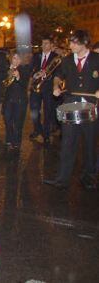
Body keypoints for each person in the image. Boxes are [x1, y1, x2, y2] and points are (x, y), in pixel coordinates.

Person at [45, 30, 99, 190]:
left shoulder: (97, 59)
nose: (70, 45)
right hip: (71, 105)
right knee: (67, 143)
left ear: (84, 43)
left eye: (74, 42)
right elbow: (58, 76)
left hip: (92, 107)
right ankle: (62, 179)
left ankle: (88, 177)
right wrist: (56, 86)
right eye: (70, 42)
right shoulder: (67, 60)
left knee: (90, 144)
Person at [29, 36, 60, 146]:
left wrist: (46, 74)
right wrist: (35, 74)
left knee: (48, 112)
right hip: (36, 87)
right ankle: (38, 129)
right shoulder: (36, 56)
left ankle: (46, 135)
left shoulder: (56, 57)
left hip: (48, 88)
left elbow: (58, 73)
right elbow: (31, 68)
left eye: (46, 43)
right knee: (34, 111)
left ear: (51, 45)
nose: (43, 46)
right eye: (42, 43)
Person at [2, 51, 32, 153]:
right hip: (8, 100)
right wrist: (9, 72)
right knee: (7, 120)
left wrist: (19, 77)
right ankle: (9, 139)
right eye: (14, 58)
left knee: (18, 123)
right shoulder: (7, 68)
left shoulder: (25, 69)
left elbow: (25, 84)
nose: (16, 60)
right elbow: (3, 83)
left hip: (20, 100)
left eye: (18, 58)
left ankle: (16, 143)